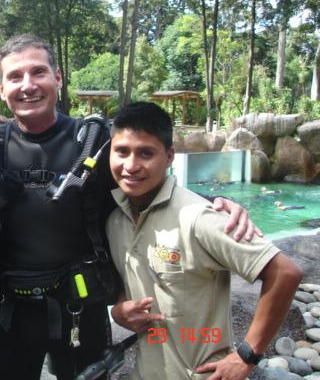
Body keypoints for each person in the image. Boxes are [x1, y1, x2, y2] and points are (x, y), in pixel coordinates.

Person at [0, 34, 258, 380]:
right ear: (1, 88)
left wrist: (218, 203)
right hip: (11, 313)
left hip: (80, 309)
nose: (28, 85)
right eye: (15, 76)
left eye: (38, 72)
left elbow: (147, 184)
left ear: (58, 78)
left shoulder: (95, 144)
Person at [106, 101, 302, 380]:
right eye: (122, 152)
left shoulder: (199, 217)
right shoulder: (115, 220)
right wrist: (120, 309)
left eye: (146, 153)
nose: (131, 165)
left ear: (170, 156)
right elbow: (132, 280)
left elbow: (285, 273)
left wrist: (247, 355)